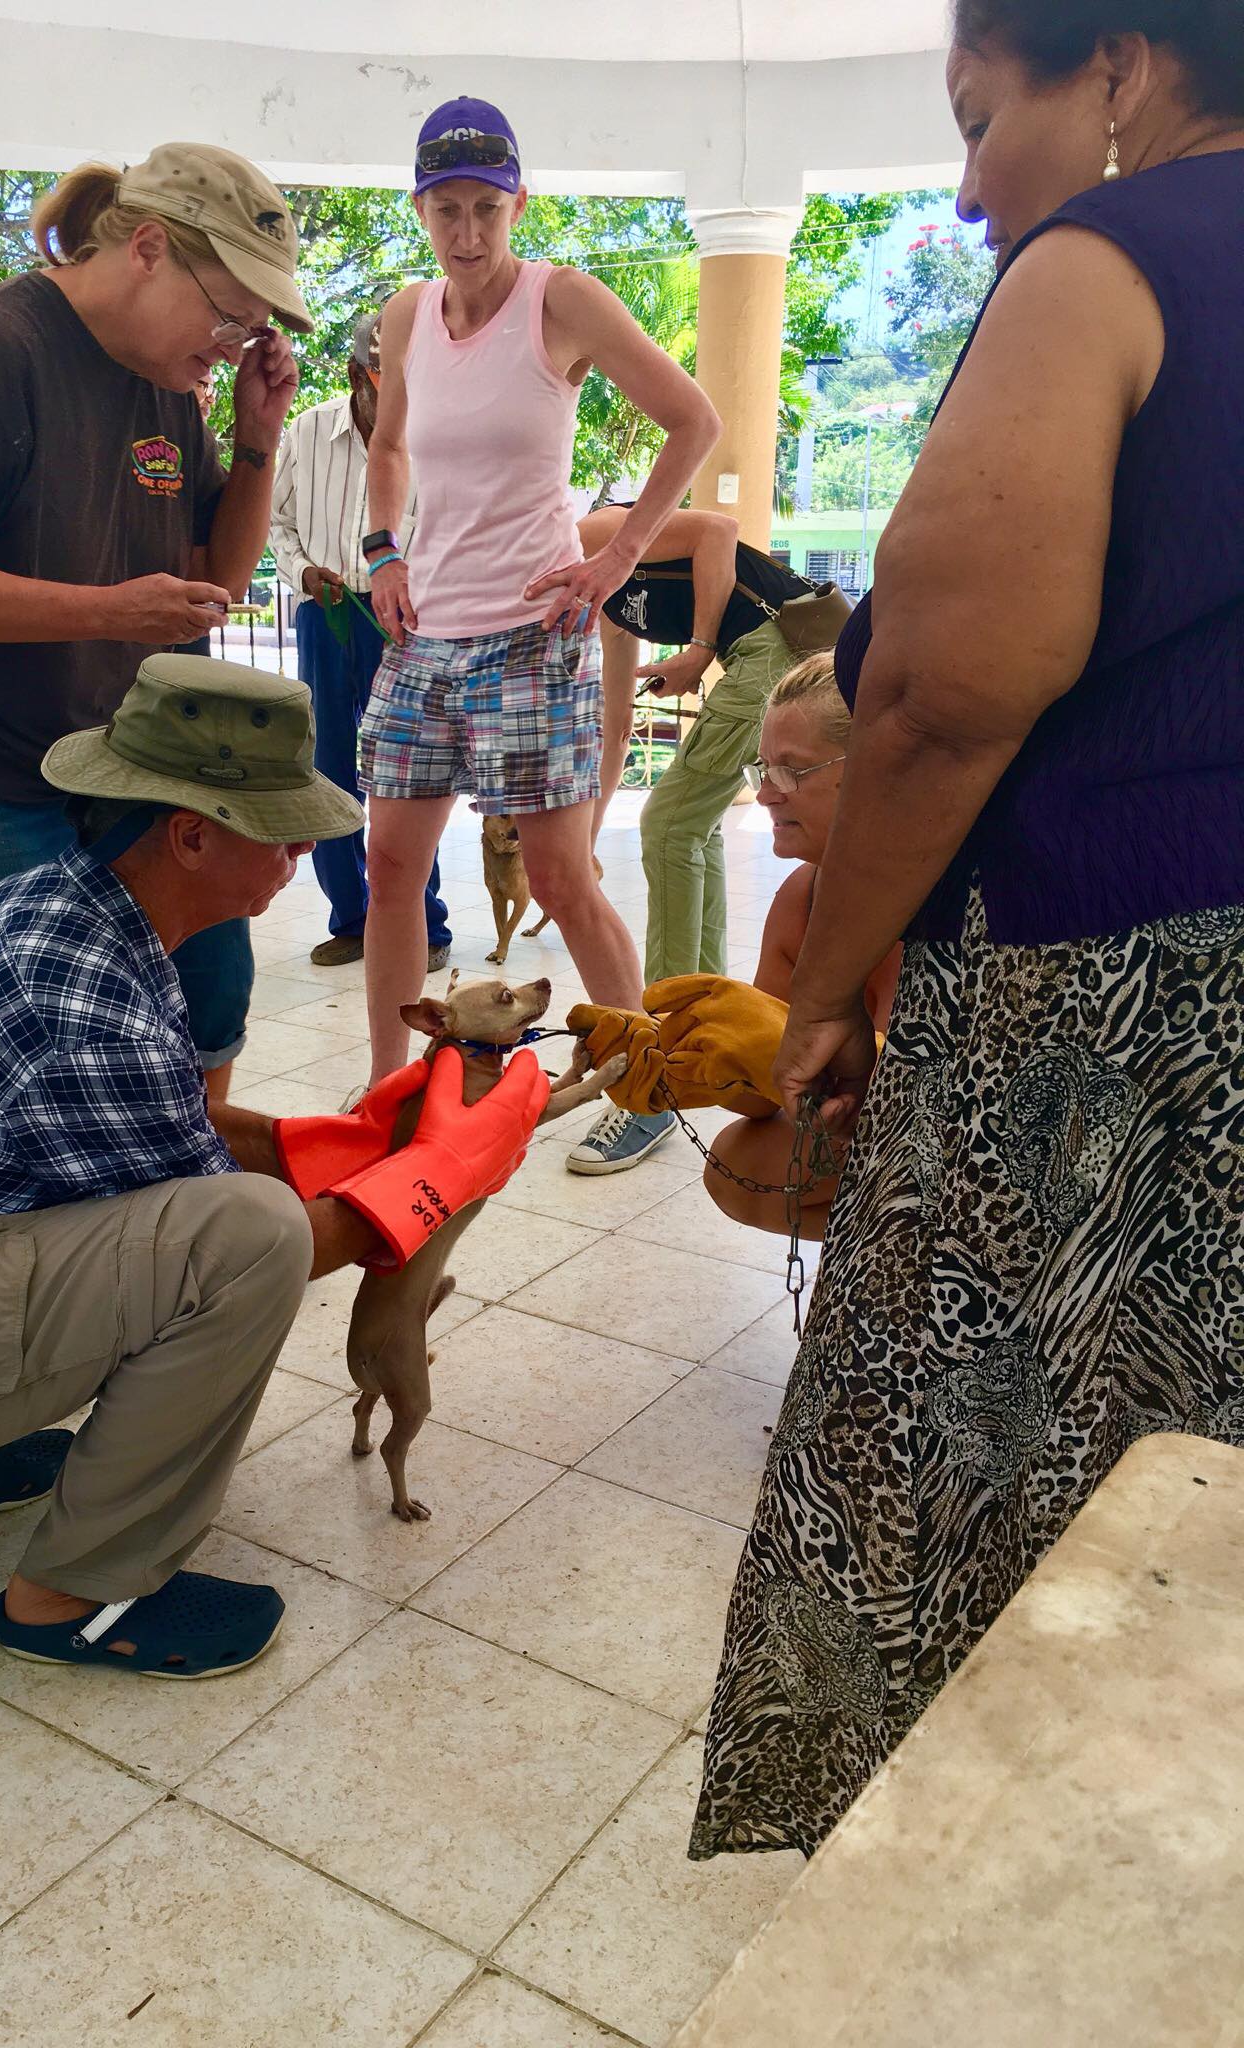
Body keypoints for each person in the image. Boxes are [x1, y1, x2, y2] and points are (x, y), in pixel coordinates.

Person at [695, 1, 1244, 1862]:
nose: (963, 179)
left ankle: (992, 1874)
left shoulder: (1104, 262)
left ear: (1122, 72)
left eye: (978, 112)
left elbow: (937, 692)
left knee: (992, 1473)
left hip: (1119, 1000)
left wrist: (834, 975)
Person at [0, 659, 548, 1680]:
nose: (301, 848)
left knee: (233, 1208)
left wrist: (343, 1139)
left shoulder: (81, 909)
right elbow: (250, 1242)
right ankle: (74, 1595)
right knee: (249, 1240)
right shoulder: (82, 996)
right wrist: (440, 1168)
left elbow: (180, 1125)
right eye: (282, 825)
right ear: (192, 832)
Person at [0, 143, 311, 1111]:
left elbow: (218, 572)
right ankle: (48, 1237)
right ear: (150, 249)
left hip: (95, 753)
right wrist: (112, 610)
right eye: (229, 312)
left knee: (209, 978)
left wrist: (258, 435)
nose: (233, 341)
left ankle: (183, 1195)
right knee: (26, 1043)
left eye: (252, 326)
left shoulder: (168, 377)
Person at [358, 95, 720, 1082]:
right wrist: (383, 549)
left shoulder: (561, 301)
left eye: (488, 207)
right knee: (390, 865)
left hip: (532, 631)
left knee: (560, 875)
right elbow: (387, 444)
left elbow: (694, 420)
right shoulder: (406, 316)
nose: (468, 232)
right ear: (421, 208)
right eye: (448, 210)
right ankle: (391, 1085)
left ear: (520, 201)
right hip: (425, 634)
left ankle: (645, 1087)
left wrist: (616, 559)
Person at [563, 503, 812, 1173]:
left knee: (671, 825)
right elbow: (617, 727)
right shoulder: (606, 610)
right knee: (688, 828)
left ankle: (663, 1069)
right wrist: (585, 837)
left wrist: (699, 646)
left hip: (778, 649)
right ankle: (706, 1025)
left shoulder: (584, 537)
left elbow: (719, 530)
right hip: (756, 656)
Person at [269, 310, 450, 970]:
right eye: (390, 382)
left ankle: (425, 927)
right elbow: (276, 521)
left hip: (404, 621)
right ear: (357, 376)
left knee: (409, 771)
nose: (405, 399)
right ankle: (352, 918)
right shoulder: (309, 430)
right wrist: (302, 573)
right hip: (328, 613)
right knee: (329, 769)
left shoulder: (434, 438)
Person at [699, 655, 901, 1239]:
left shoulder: (957, 905)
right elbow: (759, 1102)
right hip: (876, 1138)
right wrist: (698, 1051)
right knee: (740, 1164)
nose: (764, 795)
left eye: (791, 771)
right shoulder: (803, 896)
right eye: (762, 769)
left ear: (875, 768)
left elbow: (916, 1110)